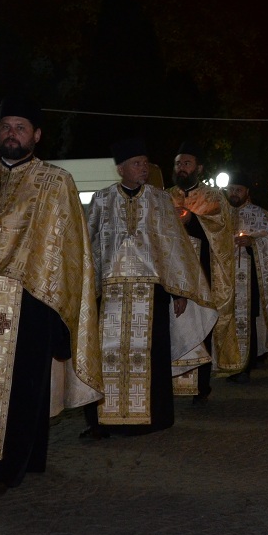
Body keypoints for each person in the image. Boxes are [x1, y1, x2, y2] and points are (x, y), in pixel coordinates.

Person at [0, 96, 101, 496]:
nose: (11, 134)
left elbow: (72, 247)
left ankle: (4, 469)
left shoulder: (56, 181)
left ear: (36, 135)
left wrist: (61, 310)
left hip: (33, 298)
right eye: (5, 127)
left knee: (22, 386)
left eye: (21, 128)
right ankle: (4, 460)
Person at [84, 139, 213, 437]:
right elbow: (87, 246)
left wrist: (179, 291)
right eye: (137, 163)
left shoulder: (160, 200)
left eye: (145, 162)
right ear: (121, 168)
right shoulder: (101, 200)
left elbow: (174, 248)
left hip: (151, 291)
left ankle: (152, 418)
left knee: (151, 356)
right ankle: (102, 421)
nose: (144, 168)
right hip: (110, 293)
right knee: (107, 355)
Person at [169, 142, 240, 395]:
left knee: (201, 323)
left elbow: (222, 231)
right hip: (174, 272)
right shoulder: (166, 196)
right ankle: (173, 381)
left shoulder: (213, 197)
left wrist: (193, 219)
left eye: (186, 163)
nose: (182, 168)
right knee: (174, 324)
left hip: (204, 271)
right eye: (178, 164)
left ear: (198, 167)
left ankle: (201, 386)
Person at [225, 176, 268, 381]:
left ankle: (245, 366)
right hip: (226, 279)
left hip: (250, 280)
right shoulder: (220, 214)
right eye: (231, 189)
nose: (234, 194)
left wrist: (252, 242)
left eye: (238, 190)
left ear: (247, 191)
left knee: (247, 320)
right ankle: (226, 363)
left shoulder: (258, 214)